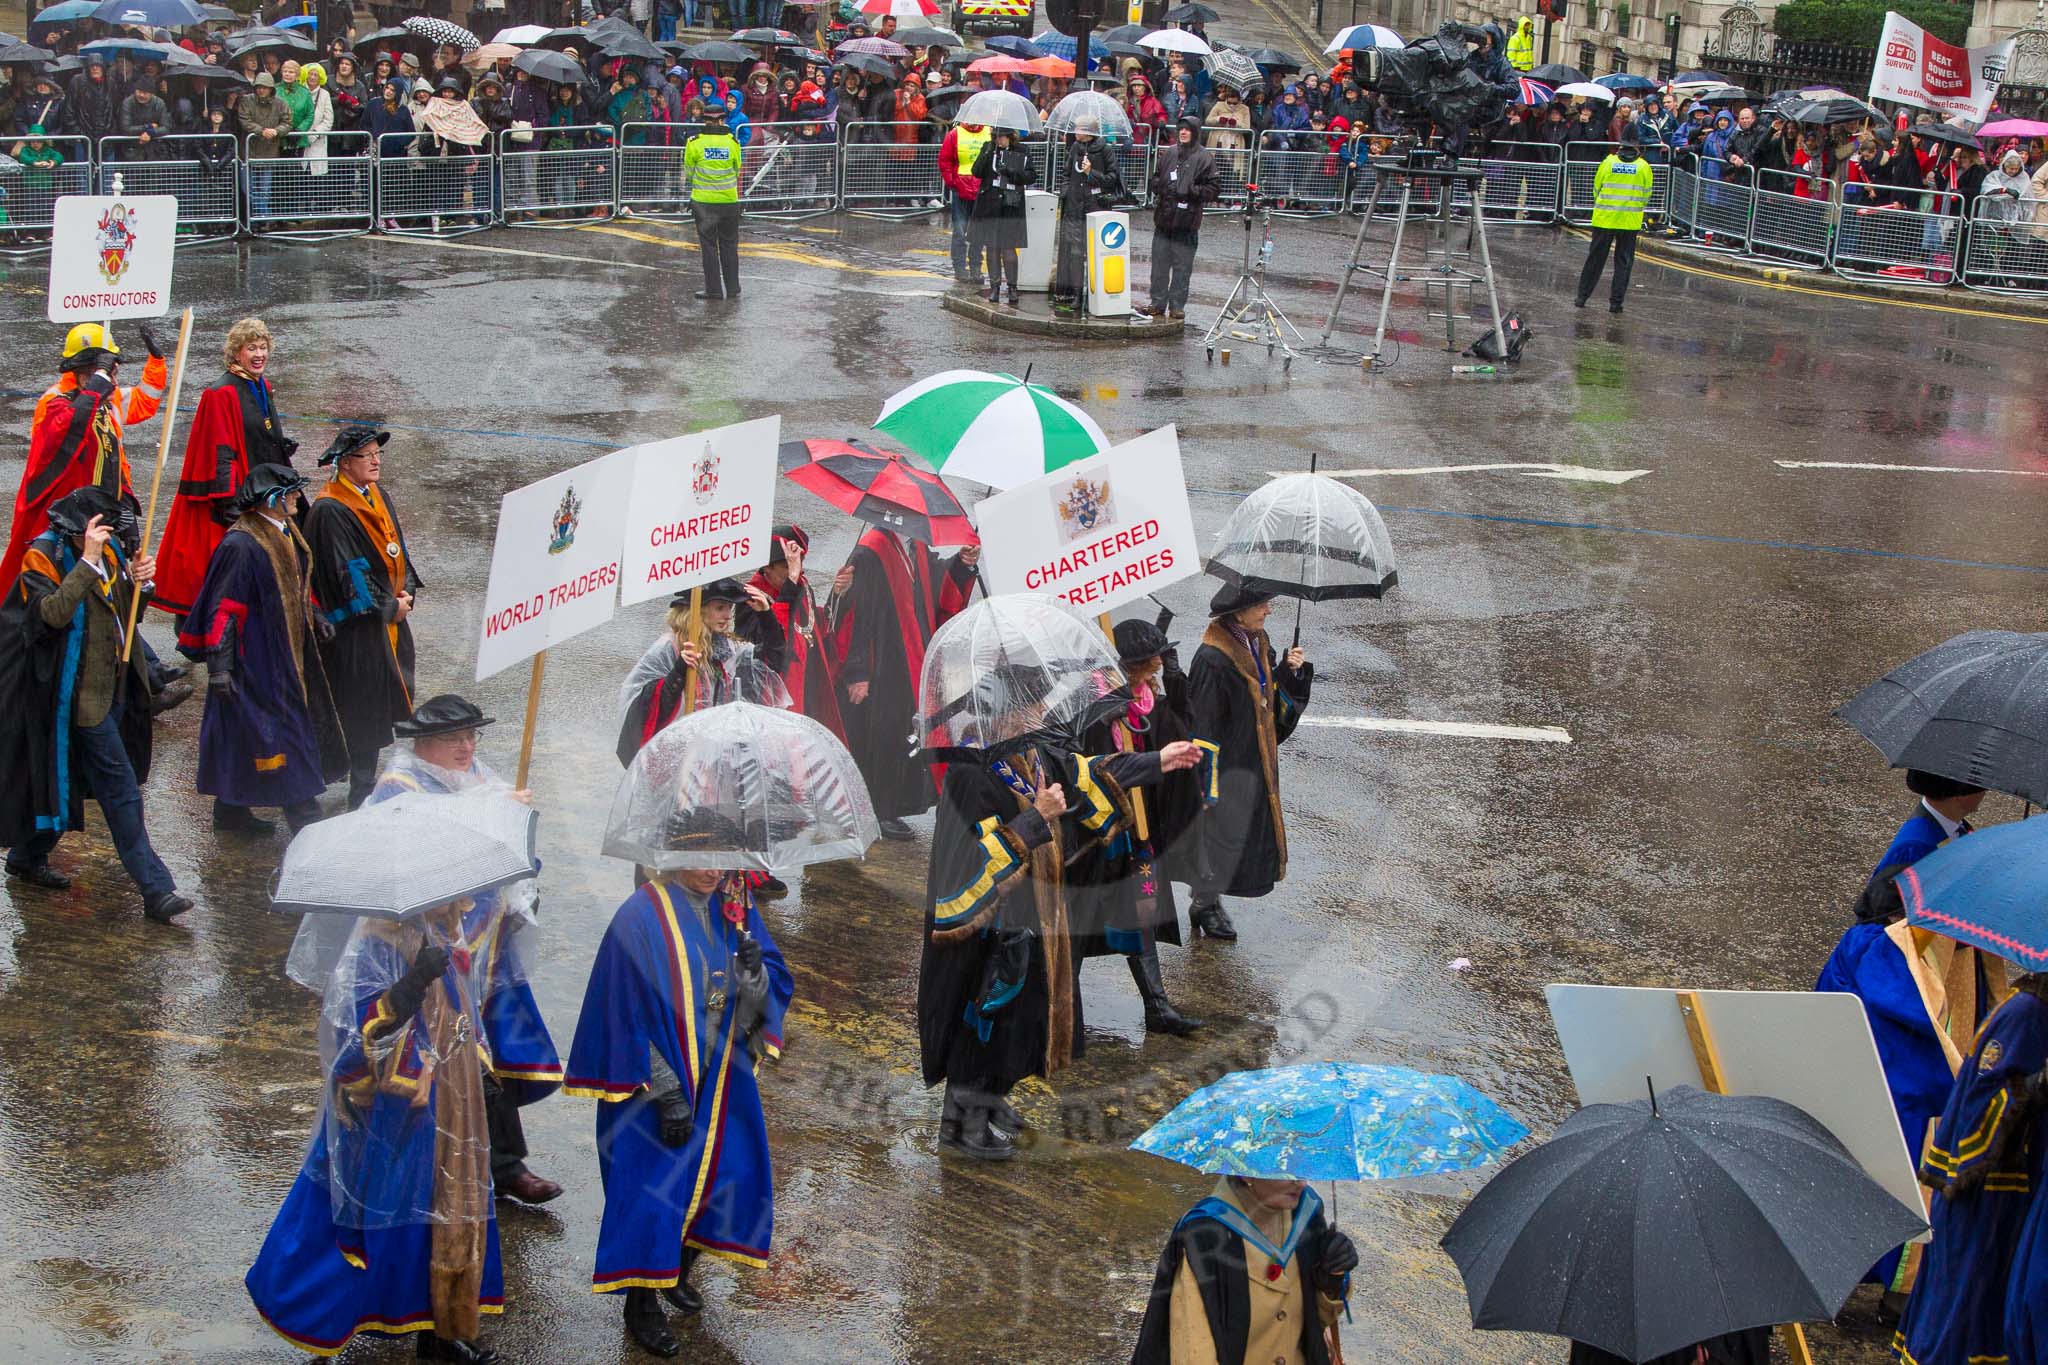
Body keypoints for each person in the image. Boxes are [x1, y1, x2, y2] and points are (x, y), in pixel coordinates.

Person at [920, 677, 1201, 1159]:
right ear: (1003, 718)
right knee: (984, 1018)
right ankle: (960, 1128)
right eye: (1030, 710)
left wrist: (1159, 761)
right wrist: (1035, 818)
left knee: (1022, 1020)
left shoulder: (1034, 756)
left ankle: (990, 1102)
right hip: (986, 929)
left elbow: (1091, 774)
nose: (1039, 718)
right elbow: (970, 862)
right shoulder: (970, 776)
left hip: (1035, 916)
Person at [245, 899, 505, 1363]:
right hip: (389, 1114)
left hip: (452, 1103)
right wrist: (411, 985)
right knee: (369, 1222)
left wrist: (478, 1069)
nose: (462, 902)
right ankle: (324, 1329)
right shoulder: (374, 946)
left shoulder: (447, 933)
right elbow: (355, 1039)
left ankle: (440, 1329)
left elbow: (464, 1013)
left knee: (446, 1216)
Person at [563, 853, 793, 1358]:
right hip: (656, 1084)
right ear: (670, 857)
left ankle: (676, 1270)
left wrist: (754, 979)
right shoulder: (638, 915)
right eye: (699, 861)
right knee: (653, 1191)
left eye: (721, 861)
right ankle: (641, 1304)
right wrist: (665, 1091)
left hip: (719, 1075)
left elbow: (767, 988)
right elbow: (620, 1014)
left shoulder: (735, 906)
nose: (712, 872)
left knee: (718, 1176)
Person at [366, 693, 564, 1208]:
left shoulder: (476, 776)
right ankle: (440, 1168)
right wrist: (490, 813)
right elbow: (417, 854)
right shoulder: (397, 788)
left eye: (472, 736)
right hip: (425, 952)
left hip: (486, 947)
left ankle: (504, 1165)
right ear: (423, 742)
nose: (467, 746)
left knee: (488, 1054)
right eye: (455, 738)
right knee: (442, 1060)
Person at [1814, 768, 1995, 1308]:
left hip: (1910, 1002)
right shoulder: (1919, 849)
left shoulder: (1940, 836)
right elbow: (1906, 956)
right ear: (1968, 789)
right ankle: (1899, 1281)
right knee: (1911, 1143)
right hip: (1905, 1024)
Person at [0, 487, 191, 924]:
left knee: (77, 780)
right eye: (103, 531)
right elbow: (50, 615)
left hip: (117, 690)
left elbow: (127, 617)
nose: (114, 538)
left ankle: (27, 855)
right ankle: (156, 889)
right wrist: (86, 562)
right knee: (121, 790)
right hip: (75, 699)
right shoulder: (43, 557)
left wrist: (143, 581)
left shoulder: (114, 554)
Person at [177, 464, 349, 835]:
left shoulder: (285, 532)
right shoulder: (240, 545)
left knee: (244, 737)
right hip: (256, 661)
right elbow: (223, 609)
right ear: (269, 499)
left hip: (287, 652)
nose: (297, 498)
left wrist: (315, 614)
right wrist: (220, 668)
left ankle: (230, 811)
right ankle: (306, 819)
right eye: (290, 493)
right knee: (282, 738)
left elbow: (298, 584)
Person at [1894, 974, 2048, 1365]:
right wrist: (2039, 1084)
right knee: (1965, 1295)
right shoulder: (2027, 1014)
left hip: (2006, 1194)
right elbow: (1985, 1095)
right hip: (1985, 1189)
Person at [1070, 618, 1206, 1036]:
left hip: (1140, 832)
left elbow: (1182, 728)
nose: (1155, 670)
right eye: (1150, 664)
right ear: (1127, 666)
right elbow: (1077, 768)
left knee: (1143, 909)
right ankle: (1062, 1010)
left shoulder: (1147, 700)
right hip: (1097, 837)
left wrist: (1175, 680)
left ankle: (1157, 1006)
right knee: (1077, 921)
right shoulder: (1087, 705)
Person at [830, 527, 977, 840]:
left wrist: (961, 564)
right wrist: (857, 672)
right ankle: (878, 809)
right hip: (880, 662)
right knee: (879, 736)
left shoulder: (915, 545)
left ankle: (890, 804)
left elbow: (935, 585)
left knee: (901, 734)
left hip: (908, 658)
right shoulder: (871, 550)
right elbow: (855, 612)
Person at [1185, 583, 1311, 943]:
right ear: (1238, 613)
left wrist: (1287, 672)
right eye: (1262, 605)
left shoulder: (1257, 642)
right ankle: (1205, 903)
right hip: (1225, 768)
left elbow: (1265, 704)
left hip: (1253, 760)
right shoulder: (1212, 659)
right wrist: (1206, 783)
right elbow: (1203, 725)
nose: (1268, 610)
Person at [303, 425, 419, 808]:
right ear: (343, 463)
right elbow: (346, 571)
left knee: (378, 704)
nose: (375, 461)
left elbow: (395, 546)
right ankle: (359, 793)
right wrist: (388, 607)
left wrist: (406, 591)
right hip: (355, 628)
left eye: (377, 454)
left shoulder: (376, 495)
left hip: (386, 619)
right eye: (366, 455)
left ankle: (363, 785)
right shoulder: (330, 509)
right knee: (360, 710)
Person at [1, 322, 166, 590]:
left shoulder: (105, 400)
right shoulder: (55, 403)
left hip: (99, 519)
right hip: (62, 525)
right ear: (84, 373)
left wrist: (124, 509)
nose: (113, 380)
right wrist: (96, 388)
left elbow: (116, 454)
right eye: (105, 372)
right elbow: (62, 441)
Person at [1129, 1173, 1357, 1364]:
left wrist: (1332, 1279)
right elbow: (1194, 1351)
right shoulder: (1205, 1239)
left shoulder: (1305, 1217)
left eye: (1301, 1164)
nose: (1301, 1182)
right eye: (1285, 1167)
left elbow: (1313, 1326)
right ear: (1247, 1172)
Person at [155, 318, 297, 619]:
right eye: (251, 348)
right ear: (236, 353)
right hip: (235, 497)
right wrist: (230, 506)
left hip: (262, 490)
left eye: (263, 347)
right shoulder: (220, 393)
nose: (259, 354)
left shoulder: (261, 385)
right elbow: (219, 451)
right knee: (221, 571)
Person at [616, 579, 776, 766]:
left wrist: (766, 616)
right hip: (676, 752)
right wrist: (680, 670)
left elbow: (769, 663)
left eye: (729, 608)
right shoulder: (671, 646)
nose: (727, 616)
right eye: (720, 608)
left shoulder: (728, 647)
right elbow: (648, 702)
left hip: (712, 750)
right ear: (699, 610)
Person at [736, 525, 845, 741]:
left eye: (799, 563)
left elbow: (815, 624)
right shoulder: (752, 597)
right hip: (778, 693)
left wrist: (838, 593)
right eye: (787, 565)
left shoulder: (799, 584)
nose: (797, 570)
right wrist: (790, 585)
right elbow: (767, 645)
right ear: (766, 568)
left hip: (809, 682)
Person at [1574, 124, 1654, 314]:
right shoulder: (1643, 167)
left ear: (1621, 143)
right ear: (1637, 145)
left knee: (1594, 261)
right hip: (1629, 222)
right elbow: (1646, 195)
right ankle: (1615, 304)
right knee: (1623, 264)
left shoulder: (1608, 162)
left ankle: (1582, 297)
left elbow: (1596, 189)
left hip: (1604, 219)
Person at [1146, 116, 1219, 320]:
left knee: (1182, 268)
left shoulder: (1205, 158)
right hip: (1164, 220)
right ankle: (1157, 302)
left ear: (1195, 132)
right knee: (1159, 265)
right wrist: (1160, 186)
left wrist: (1191, 190)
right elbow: (1156, 176)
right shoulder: (1169, 153)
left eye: (1187, 130)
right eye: (1181, 130)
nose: (1183, 133)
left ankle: (1177, 305)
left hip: (1187, 223)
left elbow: (1213, 189)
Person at [1052, 117, 1127, 315]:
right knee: (1076, 253)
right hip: (1075, 207)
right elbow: (1066, 173)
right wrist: (1066, 191)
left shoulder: (1105, 150)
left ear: (1089, 131)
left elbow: (1112, 178)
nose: (1076, 131)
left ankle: (1095, 293)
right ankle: (1077, 294)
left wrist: (1090, 172)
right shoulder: (1075, 148)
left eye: (1079, 128)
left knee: (1095, 254)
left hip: (1096, 207)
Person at [969, 126, 1034, 307]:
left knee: (1008, 248)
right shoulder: (988, 147)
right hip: (989, 204)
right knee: (992, 247)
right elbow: (977, 171)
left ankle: (1012, 287)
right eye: (995, 137)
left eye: (1002, 138)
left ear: (1010, 137)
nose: (999, 141)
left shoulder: (1022, 151)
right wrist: (989, 151)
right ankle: (995, 286)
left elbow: (1030, 176)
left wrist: (1011, 172)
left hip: (1010, 205)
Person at [685, 99, 743, 300]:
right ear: (722, 121)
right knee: (729, 245)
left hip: (703, 203)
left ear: (704, 121)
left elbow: (689, 172)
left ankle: (714, 290)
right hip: (729, 201)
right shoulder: (732, 142)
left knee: (709, 247)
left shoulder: (694, 143)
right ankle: (733, 288)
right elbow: (737, 169)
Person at [939, 116, 989, 287]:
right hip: (961, 189)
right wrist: (953, 182)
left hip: (981, 190)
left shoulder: (988, 132)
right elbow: (945, 161)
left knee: (978, 233)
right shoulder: (954, 134)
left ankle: (975, 267)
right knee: (960, 232)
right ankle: (959, 268)